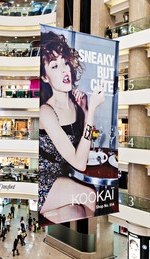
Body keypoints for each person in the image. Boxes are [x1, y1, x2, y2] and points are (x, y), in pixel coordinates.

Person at [38, 30, 105, 224]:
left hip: (63, 176)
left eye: (65, 63)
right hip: (45, 181)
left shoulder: (76, 104)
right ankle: (48, 210)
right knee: (91, 196)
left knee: (77, 212)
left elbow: (83, 147)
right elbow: (80, 162)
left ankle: (53, 214)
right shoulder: (46, 111)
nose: (65, 70)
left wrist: (84, 112)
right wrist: (91, 111)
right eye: (55, 66)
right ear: (45, 77)